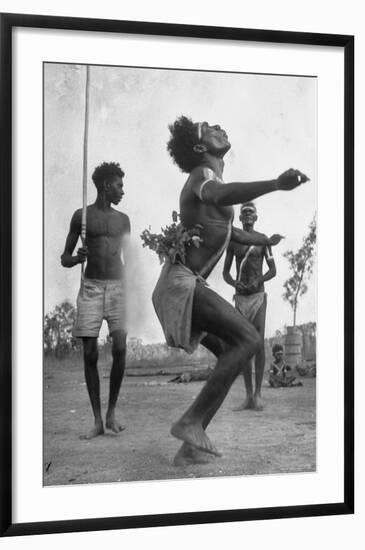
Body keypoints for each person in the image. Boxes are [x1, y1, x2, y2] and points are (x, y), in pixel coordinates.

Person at [152, 116, 309, 464]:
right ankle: (191, 421)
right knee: (250, 340)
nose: (217, 125)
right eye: (207, 127)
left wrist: (265, 240)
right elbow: (221, 194)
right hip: (181, 283)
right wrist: (275, 184)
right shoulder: (202, 178)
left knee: (233, 352)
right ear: (200, 147)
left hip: (181, 285)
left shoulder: (211, 190)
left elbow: (231, 233)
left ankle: (190, 445)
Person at [61, 161, 131, 440]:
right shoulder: (81, 217)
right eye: (119, 185)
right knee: (89, 354)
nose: (122, 191)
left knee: (121, 348)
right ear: (106, 186)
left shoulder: (123, 220)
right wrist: (77, 257)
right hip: (90, 288)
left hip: (118, 288)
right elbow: (64, 258)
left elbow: (128, 258)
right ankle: (97, 420)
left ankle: (112, 413)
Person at [223, 201, 277, 411]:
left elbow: (273, 270)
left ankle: (258, 395)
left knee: (258, 342)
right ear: (240, 217)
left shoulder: (263, 241)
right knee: (244, 344)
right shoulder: (234, 242)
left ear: (256, 217)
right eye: (243, 212)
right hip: (241, 298)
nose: (246, 215)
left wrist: (259, 280)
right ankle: (247, 396)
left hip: (258, 296)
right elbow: (226, 273)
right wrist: (233, 282)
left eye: (250, 213)